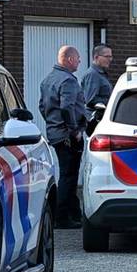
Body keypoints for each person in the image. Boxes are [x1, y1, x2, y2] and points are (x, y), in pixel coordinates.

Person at [40, 45, 86, 229]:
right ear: (70, 59)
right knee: (69, 176)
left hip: (56, 134)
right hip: (68, 136)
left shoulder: (48, 79)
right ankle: (61, 217)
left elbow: (42, 107)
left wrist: (53, 124)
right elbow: (67, 107)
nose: (79, 61)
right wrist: (74, 130)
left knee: (69, 174)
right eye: (78, 58)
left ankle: (74, 213)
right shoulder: (68, 81)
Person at [80, 43, 114, 108]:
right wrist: (112, 101)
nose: (110, 59)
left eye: (111, 56)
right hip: (94, 114)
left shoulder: (101, 74)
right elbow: (91, 100)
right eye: (107, 56)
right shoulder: (92, 75)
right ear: (96, 57)